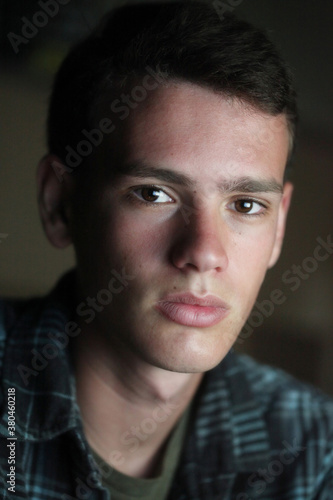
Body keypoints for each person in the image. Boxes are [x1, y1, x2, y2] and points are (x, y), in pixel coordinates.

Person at [0, 2, 332, 499]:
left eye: (244, 204)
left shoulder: (314, 446)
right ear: (59, 204)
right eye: (154, 194)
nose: (203, 252)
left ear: (278, 226)